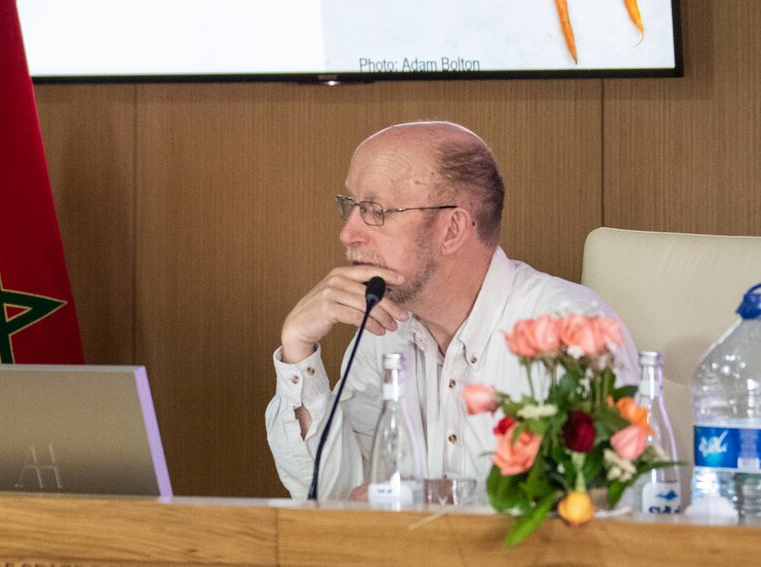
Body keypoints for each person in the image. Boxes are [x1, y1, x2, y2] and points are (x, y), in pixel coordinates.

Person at [265, 121, 636, 500]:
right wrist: (299, 350)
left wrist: (431, 496)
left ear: (453, 228)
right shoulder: (384, 330)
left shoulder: (569, 330)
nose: (348, 233)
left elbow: (600, 505)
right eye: (351, 206)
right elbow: (332, 495)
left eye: (375, 210)